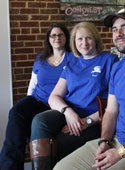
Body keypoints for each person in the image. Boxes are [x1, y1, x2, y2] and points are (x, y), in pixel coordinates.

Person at [53, 8, 125, 170]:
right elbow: (111, 111)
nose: (118, 33)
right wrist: (104, 141)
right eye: (115, 29)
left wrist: (122, 152)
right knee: (61, 168)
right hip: (117, 141)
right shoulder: (119, 67)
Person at [29, 21, 119, 170]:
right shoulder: (72, 64)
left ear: (95, 39)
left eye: (88, 38)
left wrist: (88, 121)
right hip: (70, 114)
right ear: (74, 42)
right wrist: (68, 112)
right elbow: (54, 96)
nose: (84, 43)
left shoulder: (109, 60)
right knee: (40, 120)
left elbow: (115, 101)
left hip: (95, 119)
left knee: (60, 142)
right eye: (79, 39)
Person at [0, 23, 75, 170]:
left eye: (60, 35)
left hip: (57, 104)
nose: (57, 38)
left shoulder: (73, 58)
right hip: (37, 99)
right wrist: (27, 102)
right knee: (16, 112)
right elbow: (33, 83)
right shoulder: (41, 57)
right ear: (48, 39)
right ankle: (9, 166)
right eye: (53, 35)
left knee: (36, 122)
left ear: (66, 38)